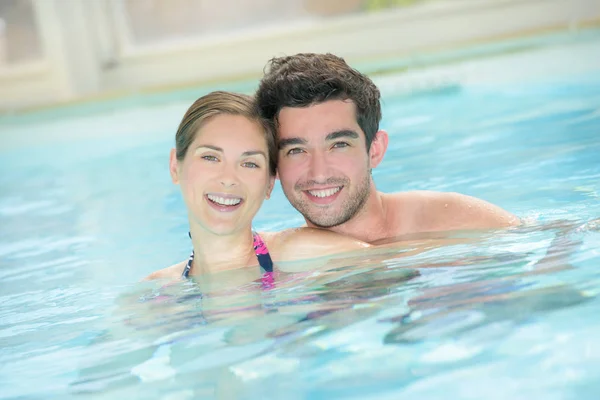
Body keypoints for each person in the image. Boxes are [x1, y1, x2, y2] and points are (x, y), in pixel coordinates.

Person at [255, 53, 521, 244]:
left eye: (338, 145)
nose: (319, 172)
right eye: (296, 150)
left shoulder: (457, 221)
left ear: (375, 150)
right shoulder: (274, 261)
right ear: (274, 165)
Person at [145, 91, 373, 281]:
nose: (228, 178)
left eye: (249, 163)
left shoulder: (308, 256)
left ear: (269, 184)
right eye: (210, 158)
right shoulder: (156, 296)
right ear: (175, 166)